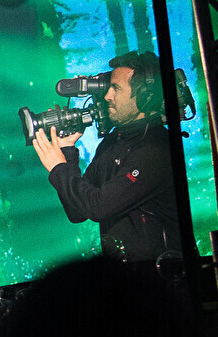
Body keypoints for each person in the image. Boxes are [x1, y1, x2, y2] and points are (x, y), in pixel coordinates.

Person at [32, 49, 179, 267]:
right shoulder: (113, 143)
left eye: (116, 88)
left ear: (145, 97)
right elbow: (77, 212)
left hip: (159, 276)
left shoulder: (156, 149)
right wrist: (68, 152)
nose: (108, 96)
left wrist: (58, 168)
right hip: (125, 274)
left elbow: (99, 207)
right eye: (109, 87)